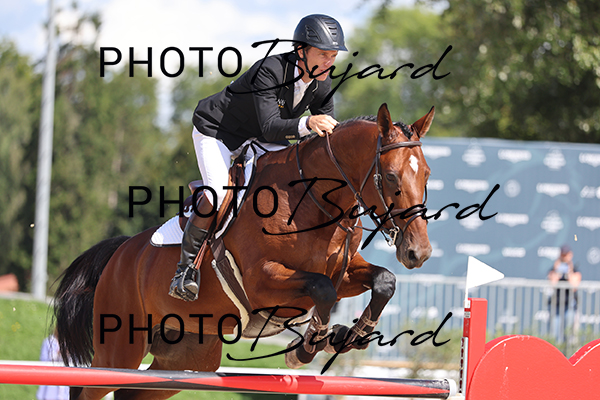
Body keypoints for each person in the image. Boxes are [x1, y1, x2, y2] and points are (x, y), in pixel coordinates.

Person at [168, 14, 347, 301]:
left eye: (333, 56)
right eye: (323, 54)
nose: (330, 62)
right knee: (217, 194)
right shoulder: (270, 70)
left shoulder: (322, 84)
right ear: (301, 51)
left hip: (261, 139)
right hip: (219, 133)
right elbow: (270, 126)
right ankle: (185, 270)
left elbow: (325, 136)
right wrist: (308, 123)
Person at [547, 245, 582, 344]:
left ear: (571, 255)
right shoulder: (554, 269)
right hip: (556, 304)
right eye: (563, 255)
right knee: (554, 335)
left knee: (569, 335)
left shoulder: (575, 269)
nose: (564, 257)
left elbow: (574, 286)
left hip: (570, 305)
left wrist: (569, 271)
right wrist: (557, 270)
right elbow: (552, 284)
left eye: (566, 255)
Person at [36, 329, 69, 400]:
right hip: (50, 388)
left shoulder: (70, 344)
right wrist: (58, 354)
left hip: (65, 389)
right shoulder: (48, 342)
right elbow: (43, 361)